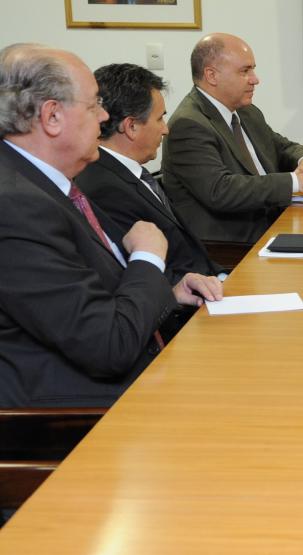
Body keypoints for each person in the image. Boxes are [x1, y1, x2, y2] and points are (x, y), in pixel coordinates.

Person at [0, 43, 222, 408]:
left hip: (129, 369)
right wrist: (150, 259)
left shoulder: (46, 183)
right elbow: (107, 345)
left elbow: (94, 293)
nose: (105, 117)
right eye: (92, 105)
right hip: (79, 412)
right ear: (51, 116)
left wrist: (170, 289)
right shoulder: (16, 206)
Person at [161, 33, 303, 245]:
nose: (255, 79)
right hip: (231, 241)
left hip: (273, 220)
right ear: (211, 75)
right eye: (245, 71)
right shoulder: (188, 124)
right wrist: (296, 181)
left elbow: (280, 146)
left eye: (253, 69)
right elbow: (221, 191)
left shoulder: (246, 111)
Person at [76, 63, 224, 286]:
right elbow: (141, 272)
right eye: (159, 119)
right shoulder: (105, 189)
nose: (166, 129)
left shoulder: (132, 173)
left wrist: (223, 277)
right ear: (131, 126)